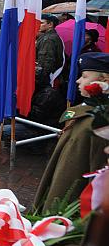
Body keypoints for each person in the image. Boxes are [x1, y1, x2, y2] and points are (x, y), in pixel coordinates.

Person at [33, 53, 109, 212]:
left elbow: (99, 177)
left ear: (104, 81)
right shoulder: (86, 113)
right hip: (60, 197)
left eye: (84, 76)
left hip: (71, 206)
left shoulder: (100, 123)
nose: (78, 80)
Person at [36, 14, 65, 82]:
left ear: (50, 24)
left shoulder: (48, 39)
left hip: (46, 79)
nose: (38, 25)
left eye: (41, 23)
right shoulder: (50, 36)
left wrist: (38, 78)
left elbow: (45, 63)